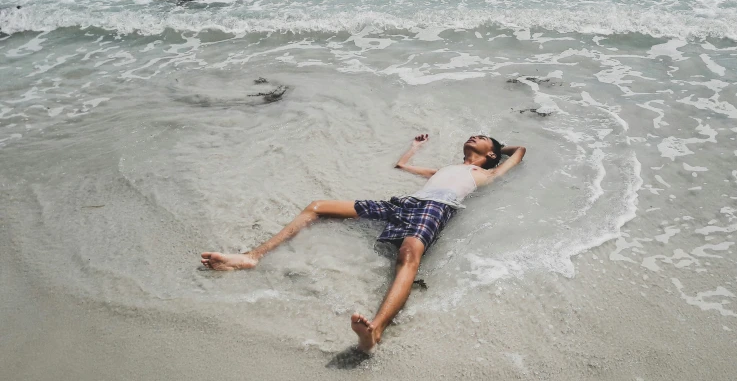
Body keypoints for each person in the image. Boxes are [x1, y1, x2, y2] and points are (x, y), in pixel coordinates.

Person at [201, 134, 526, 352]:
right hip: (404, 202)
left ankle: (376, 330)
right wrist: (413, 147)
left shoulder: (487, 175)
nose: (473, 136)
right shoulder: (446, 168)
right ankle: (252, 257)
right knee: (318, 206)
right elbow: (403, 166)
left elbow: (520, 151)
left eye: (481, 137)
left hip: (436, 207)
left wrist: (501, 150)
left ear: (491, 153)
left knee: (409, 254)